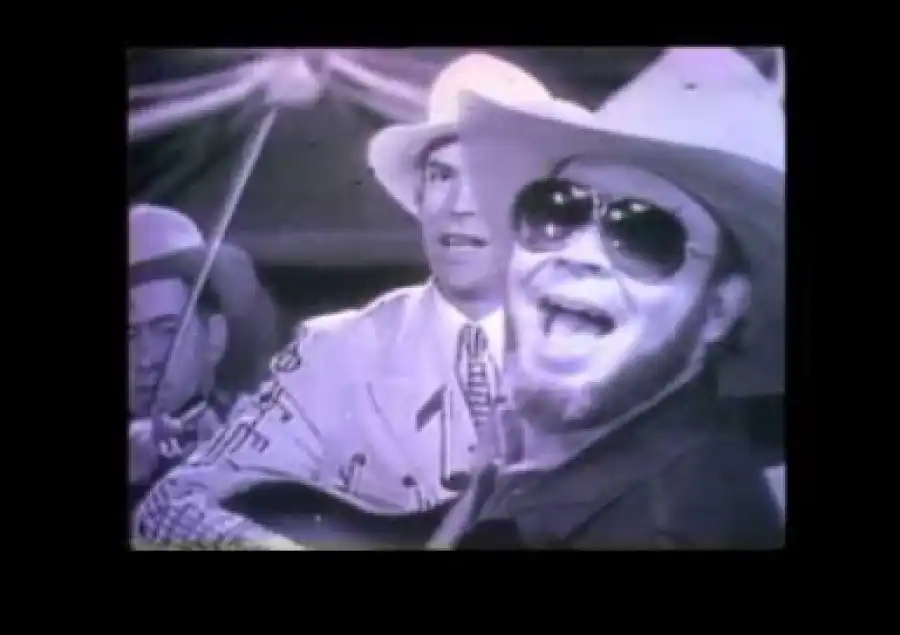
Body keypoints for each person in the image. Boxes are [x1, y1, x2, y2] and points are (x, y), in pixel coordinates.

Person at [132, 53, 562, 549]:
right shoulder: (333, 352)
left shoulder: (603, 360)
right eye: (442, 176)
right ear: (420, 196)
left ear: (534, 207)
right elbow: (169, 507)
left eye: (489, 178)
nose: (459, 206)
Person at [430, 47, 785, 549]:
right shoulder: (530, 455)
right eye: (557, 209)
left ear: (718, 311)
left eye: (645, 235)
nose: (579, 254)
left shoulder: (667, 530)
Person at [129, 205, 277, 505]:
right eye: (129, 334)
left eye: (167, 330)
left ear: (214, 339)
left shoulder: (261, 440)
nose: (145, 359)